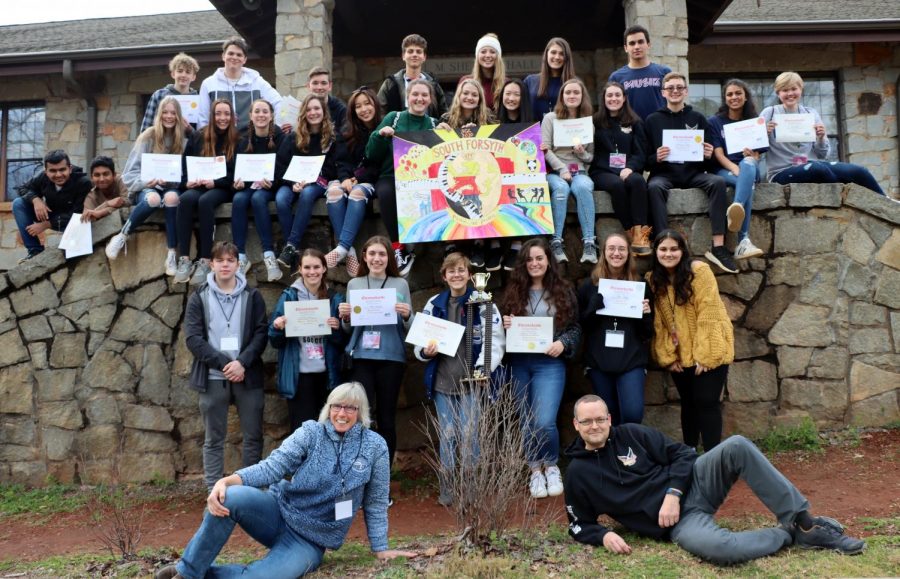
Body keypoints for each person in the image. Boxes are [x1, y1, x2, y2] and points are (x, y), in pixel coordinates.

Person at [154, 382, 416, 579]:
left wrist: (380, 548)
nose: (342, 413)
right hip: (277, 512)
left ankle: (193, 573)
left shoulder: (375, 446)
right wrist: (227, 481)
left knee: (262, 578)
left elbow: (376, 501)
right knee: (230, 497)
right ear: (329, 407)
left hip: (310, 540)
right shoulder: (311, 432)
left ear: (361, 413)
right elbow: (272, 467)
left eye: (350, 408)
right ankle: (187, 573)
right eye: (337, 405)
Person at [564, 394, 866, 565]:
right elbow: (579, 522)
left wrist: (672, 493)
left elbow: (683, 455)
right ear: (576, 425)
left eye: (600, 418)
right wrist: (602, 536)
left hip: (694, 485)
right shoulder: (578, 473)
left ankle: (805, 523)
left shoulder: (631, 433)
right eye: (587, 421)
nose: (595, 426)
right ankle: (789, 535)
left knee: (736, 445)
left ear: (609, 419)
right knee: (723, 551)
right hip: (678, 524)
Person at [414, 252, 505, 505]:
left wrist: (482, 369)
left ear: (469, 274)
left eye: (461, 270)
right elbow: (421, 341)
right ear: (444, 276)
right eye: (451, 271)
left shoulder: (483, 301)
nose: (457, 275)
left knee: (471, 435)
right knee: (448, 436)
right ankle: (448, 489)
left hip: (471, 383)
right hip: (443, 382)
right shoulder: (434, 304)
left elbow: (494, 341)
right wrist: (424, 351)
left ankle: (471, 490)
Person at [183, 241, 268, 493]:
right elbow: (193, 339)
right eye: (220, 260)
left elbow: (261, 333)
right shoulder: (198, 297)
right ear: (212, 264)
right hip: (212, 376)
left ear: (238, 265)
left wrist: (242, 363)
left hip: (247, 374)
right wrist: (226, 364)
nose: (225, 265)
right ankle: (213, 491)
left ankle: (249, 489)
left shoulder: (253, 296)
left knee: (253, 436)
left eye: (230, 260)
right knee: (213, 439)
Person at [500, 238, 581, 499]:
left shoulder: (563, 290)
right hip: (520, 362)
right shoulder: (513, 291)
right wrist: (505, 323)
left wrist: (563, 342)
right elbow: (500, 330)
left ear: (549, 261)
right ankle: (534, 469)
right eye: (530, 259)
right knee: (525, 420)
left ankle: (551, 465)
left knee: (545, 421)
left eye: (539, 258)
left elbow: (575, 328)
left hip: (549, 363)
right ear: (523, 263)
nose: (534, 263)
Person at [643, 73, 738, 274]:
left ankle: (719, 246)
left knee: (718, 182)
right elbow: (644, 158)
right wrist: (656, 157)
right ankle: (662, 244)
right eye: (670, 88)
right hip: (664, 174)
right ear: (663, 93)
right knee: (653, 187)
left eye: (679, 87)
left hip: (694, 173)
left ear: (686, 91)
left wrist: (709, 154)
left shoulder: (698, 118)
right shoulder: (652, 120)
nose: (675, 91)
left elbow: (710, 159)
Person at [647, 229, 732, 450]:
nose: (668, 254)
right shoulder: (654, 279)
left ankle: (714, 459)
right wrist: (666, 356)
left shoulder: (699, 271)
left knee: (707, 402)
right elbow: (660, 323)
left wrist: (706, 354)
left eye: (674, 249)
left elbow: (709, 313)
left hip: (709, 347)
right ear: (655, 252)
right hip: (680, 353)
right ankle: (690, 455)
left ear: (683, 250)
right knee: (689, 404)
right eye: (663, 249)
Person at [338, 236, 414, 484]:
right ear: (364, 257)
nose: (377, 259)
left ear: (388, 258)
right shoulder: (355, 284)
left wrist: (407, 315)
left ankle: (382, 479)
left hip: (391, 357)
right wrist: (346, 318)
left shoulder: (400, 284)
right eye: (372, 254)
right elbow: (348, 331)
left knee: (387, 418)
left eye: (382, 254)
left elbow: (410, 328)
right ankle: (362, 477)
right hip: (361, 357)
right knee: (361, 419)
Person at [762, 71, 885, 195]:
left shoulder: (811, 113)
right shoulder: (770, 113)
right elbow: (756, 150)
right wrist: (765, 133)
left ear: (801, 89)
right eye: (785, 90)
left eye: (794, 89)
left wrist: (820, 138)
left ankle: (889, 204)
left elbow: (822, 155)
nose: (790, 93)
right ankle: (842, 195)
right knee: (818, 169)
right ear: (778, 92)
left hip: (812, 164)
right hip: (782, 172)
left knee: (858, 171)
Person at [106, 96, 188, 273]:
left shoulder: (182, 139)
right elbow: (128, 174)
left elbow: (183, 175)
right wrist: (146, 182)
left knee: (173, 198)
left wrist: (172, 179)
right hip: (146, 187)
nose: (169, 116)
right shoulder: (148, 135)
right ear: (159, 114)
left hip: (170, 188)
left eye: (173, 113)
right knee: (152, 199)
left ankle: (171, 253)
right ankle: (122, 235)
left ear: (178, 116)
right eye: (165, 112)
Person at [365, 79, 439, 277]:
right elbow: (371, 153)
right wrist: (380, 135)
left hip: (421, 179)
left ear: (430, 99)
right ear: (408, 97)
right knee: (386, 193)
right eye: (415, 94)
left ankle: (421, 241)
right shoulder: (394, 118)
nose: (419, 98)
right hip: (391, 175)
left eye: (424, 95)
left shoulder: (434, 124)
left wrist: (446, 136)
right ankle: (399, 247)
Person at [577, 233, 652, 425]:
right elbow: (581, 327)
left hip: (631, 359)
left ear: (629, 253)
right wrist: (592, 309)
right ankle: (614, 453)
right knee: (607, 416)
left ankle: (630, 452)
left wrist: (645, 314)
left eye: (621, 249)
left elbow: (648, 332)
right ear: (604, 252)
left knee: (633, 413)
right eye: (611, 248)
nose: (616, 253)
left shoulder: (640, 286)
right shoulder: (589, 287)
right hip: (599, 361)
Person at [269, 249, 346, 431]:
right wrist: (277, 327)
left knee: (328, 431)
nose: (312, 272)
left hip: (328, 376)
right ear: (300, 269)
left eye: (317, 267)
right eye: (307, 267)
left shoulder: (335, 298)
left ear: (324, 269)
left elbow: (343, 342)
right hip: (299, 377)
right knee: (302, 432)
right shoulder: (289, 297)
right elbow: (275, 342)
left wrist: (337, 329)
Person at [174, 99, 239, 285]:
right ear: (212, 115)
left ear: (232, 116)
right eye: (218, 113)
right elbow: (186, 163)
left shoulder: (237, 139)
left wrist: (216, 182)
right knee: (185, 200)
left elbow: (236, 173)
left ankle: (204, 260)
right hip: (199, 185)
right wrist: (188, 181)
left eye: (226, 114)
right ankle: (184, 259)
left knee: (205, 202)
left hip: (223, 188)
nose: (222, 118)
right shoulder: (199, 136)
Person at [437, 79, 497, 269]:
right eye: (466, 93)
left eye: (474, 94)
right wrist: (438, 132)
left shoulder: (490, 120)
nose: (469, 97)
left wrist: (479, 134)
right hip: (456, 174)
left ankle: (481, 243)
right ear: (459, 95)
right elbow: (434, 151)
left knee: (481, 202)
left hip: (479, 173)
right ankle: (452, 243)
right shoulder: (446, 119)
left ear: (479, 98)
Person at [274, 94, 338, 271]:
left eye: (317, 108)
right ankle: (292, 251)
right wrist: (292, 182)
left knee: (308, 194)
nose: (313, 112)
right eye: (309, 109)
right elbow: (280, 166)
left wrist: (313, 180)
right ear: (303, 113)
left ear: (323, 112)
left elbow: (333, 167)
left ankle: (291, 245)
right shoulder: (294, 137)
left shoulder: (331, 138)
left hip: (318, 184)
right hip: (293, 183)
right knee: (281, 199)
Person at [326, 87, 383, 277]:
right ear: (353, 110)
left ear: (375, 104)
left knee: (357, 192)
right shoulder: (347, 131)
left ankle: (341, 247)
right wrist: (344, 179)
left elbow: (379, 164)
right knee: (334, 192)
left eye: (367, 103)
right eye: (358, 106)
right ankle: (350, 253)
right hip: (348, 178)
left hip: (370, 180)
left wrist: (358, 179)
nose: (364, 109)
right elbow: (341, 161)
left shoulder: (383, 127)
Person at [590, 82, 652, 257]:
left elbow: (641, 153)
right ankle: (629, 232)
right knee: (617, 185)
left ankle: (640, 234)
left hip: (628, 169)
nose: (613, 99)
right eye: (609, 95)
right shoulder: (595, 122)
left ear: (624, 98)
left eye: (617, 95)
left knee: (638, 181)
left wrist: (630, 167)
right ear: (604, 99)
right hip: (602, 171)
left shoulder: (635, 121)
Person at [708, 79, 767, 261]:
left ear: (746, 96)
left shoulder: (755, 121)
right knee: (747, 185)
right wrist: (734, 167)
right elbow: (718, 153)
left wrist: (751, 156)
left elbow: (758, 156)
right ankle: (743, 241)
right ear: (725, 98)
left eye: (738, 93)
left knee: (748, 162)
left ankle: (737, 206)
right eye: (730, 94)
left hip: (748, 167)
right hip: (724, 169)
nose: (734, 97)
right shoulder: (715, 122)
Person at [541, 78, 597, 264]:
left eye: (576, 92)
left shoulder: (588, 123)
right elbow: (545, 149)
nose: (572, 96)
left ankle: (589, 243)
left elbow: (590, 158)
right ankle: (556, 241)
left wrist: (581, 154)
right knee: (561, 190)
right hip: (555, 172)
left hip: (579, 172)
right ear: (562, 96)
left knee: (583, 188)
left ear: (582, 96)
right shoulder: (550, 118)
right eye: (568, 92)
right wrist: (562, 168)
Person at [231, 98, 286, 282]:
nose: (261, 115)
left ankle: (269, 254)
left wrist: (273, 181)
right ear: (251, 116)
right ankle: (240, 256)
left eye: (265, 111)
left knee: (258, 200)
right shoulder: (244, 138)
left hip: (271, 186)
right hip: (249, 185)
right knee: (238, 199)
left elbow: (283, 167)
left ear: (271, 115)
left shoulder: (279, 137)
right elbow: (238, 169)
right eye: (257, 111)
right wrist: (237, 183)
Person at [13, 149, 92, 263]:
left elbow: (78, 214)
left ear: (69, 168)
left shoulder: (83, 182)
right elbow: (23, 188)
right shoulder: (42, 176)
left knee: (71, 256)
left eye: (62, 169)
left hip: (74, 222)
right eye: (53, 171)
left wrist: (46, 225)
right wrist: (35, 199)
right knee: (18, 203)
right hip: (50, 214)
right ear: (46, 171)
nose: (58, 175)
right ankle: (35, 251)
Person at [197, 36, 284, 133]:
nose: (234, 57)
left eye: (239, 55)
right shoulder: (209, 84)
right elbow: (203, 118)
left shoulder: (257, 82)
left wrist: (276, 128)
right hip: (219, 142)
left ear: (245, 59)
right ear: (223, 56)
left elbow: (279, 103)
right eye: (231, 53)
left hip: (249, 142)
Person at [493, 78, 534, 271]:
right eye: (507, 94)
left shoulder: (532, 124)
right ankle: (493, 243)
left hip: (521, 173)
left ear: (523, 97)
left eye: (516, 94)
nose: (511, 98)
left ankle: (517, 243)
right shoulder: (491, 122)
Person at [608, 25, 671, 121]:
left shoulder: (664, 72)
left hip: (660, 128)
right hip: (630, 130)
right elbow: (612, 108)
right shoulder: (616, 77)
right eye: (632, 43)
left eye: (640, 42)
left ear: (648, 45)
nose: (637, 46)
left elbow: (674, 102)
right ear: (626, 48)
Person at [377, 33, 447, 118]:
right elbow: (379, 111)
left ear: (424, 57)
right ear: (403, 56)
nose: (414, 54)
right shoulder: (390, 83)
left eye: (418, 51)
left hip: (428, 130)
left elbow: (444, 113)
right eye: (410, 51)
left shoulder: (433, 84)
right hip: (398, 131)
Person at [141, 52, 199, 133]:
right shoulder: (159, 95)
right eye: (180, 71)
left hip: (188, 144)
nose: (183, 75)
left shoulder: (198, 99)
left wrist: (190, 130)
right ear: (173, 74)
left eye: (188, 72)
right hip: (160, 144)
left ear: (193, 77)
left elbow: (201, 134)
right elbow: (146, 127)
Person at [523, 37, 576, 120]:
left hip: (564, 130)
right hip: (533, 131)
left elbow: (582, 110)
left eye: (562, 54)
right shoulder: (530, 81)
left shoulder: (574, 84)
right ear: (546, 54)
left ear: (567, 58)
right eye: (553, 52)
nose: (557, 57)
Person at [458, 33, 506, 110]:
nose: (487, 55)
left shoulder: (506, 83)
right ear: (477, 56)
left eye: (492, 52)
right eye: (483, 52)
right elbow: (458, 109)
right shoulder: (466, 81)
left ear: (498, 56)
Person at [81, 155, 129, 223]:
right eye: (97, 175)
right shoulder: (91, 197)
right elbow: (88, 217)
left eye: (106, 174)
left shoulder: (120, 181)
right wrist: (107, 204)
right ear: (92, 178)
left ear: (114, 175)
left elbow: (128, 202)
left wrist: (101, 212)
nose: (102, 179)